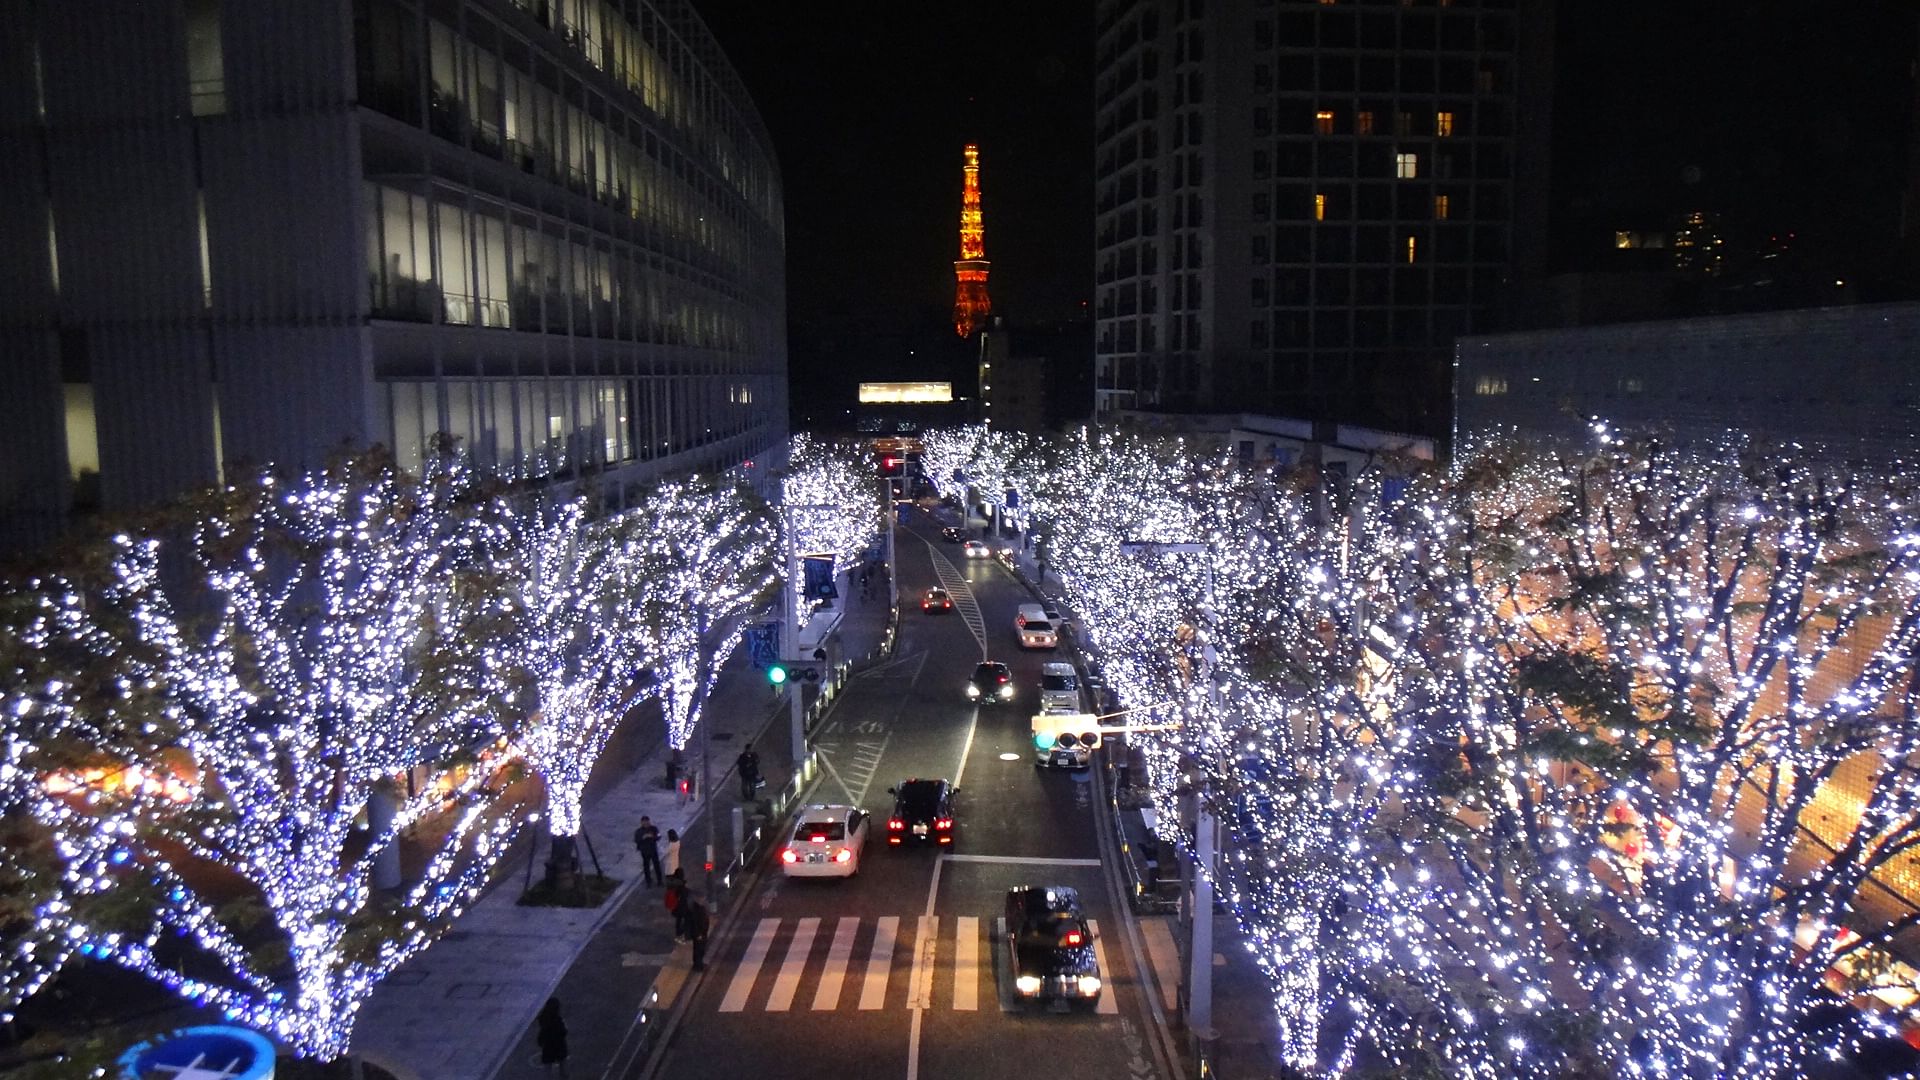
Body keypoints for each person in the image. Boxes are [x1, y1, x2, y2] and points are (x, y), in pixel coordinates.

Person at [535, 997, 569, 1076]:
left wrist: (541, 1041)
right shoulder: (558, 1020)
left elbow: (543, 1032)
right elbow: (564, 1031)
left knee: (548, 1069)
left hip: (548, 1047)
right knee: (563, 1067)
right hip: (559, 1046)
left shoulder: (544, 1019)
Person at [633, 816, 662, 886]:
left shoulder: (654, 828)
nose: (646, 824)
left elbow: (659, 836)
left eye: (647, 822)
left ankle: (660, 881)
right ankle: (648, 882)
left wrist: (653, 836)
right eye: (644, 822)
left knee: (657, 866)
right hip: (645, 852)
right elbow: (636, 840)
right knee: (646, 867)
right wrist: (643, 838)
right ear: (642, 823)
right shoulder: (639, 831)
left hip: (653, 850)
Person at [685, 897, 710, 971]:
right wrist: (698, 934)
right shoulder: (697, 910)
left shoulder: (699, 908)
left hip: (702, 932)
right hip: (699, 934)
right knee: (699, 949)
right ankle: (698, 966)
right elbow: (695, 923)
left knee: (700, 949)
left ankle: (699, 963)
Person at [665, 872, 690, 941]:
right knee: (682, 921)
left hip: (678, 908)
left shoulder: (673, 887)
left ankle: (679, 934)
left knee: (679, 921)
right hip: (681, 908)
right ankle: (680, 935)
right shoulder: (682, 889)